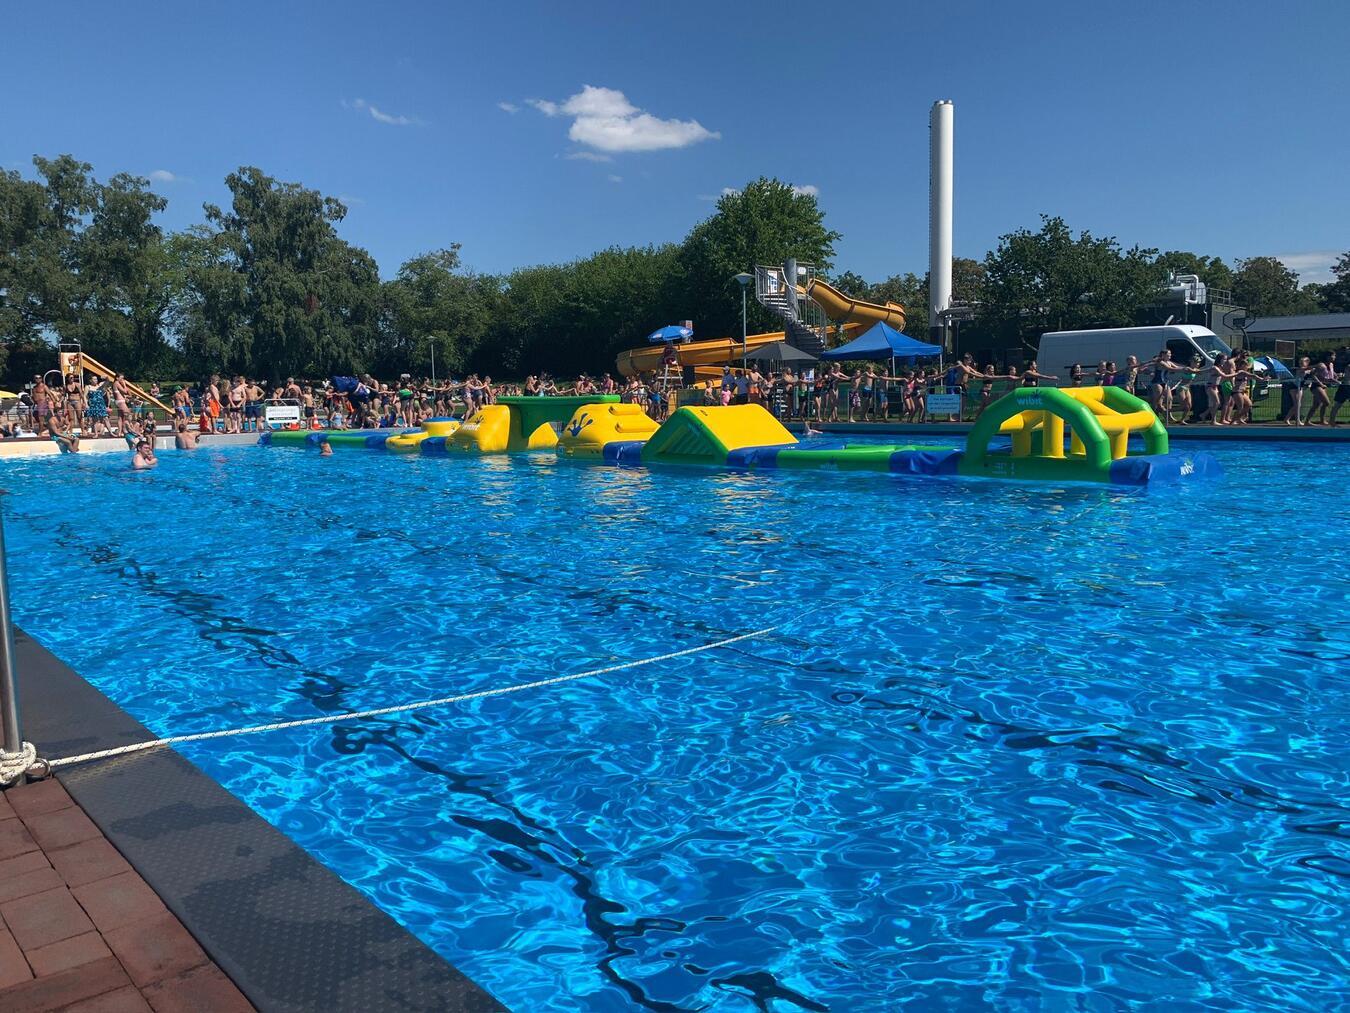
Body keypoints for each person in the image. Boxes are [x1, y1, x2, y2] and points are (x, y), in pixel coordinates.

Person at [1304, 354, 1334, 425]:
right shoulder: (1321, 365)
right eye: (1333, 355)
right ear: (1328, 356)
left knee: (1316, 404)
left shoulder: (1330, 365)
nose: (1334, 357)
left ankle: (1308, 421)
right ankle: (1321, 420)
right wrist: (1320, 384)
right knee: (1326, 402)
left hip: (1323, 386)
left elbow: (1328, 374)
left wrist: (1337, 376)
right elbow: (1312, 374)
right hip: (1316, 386)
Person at [1284, 356, 1313, 425]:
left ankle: (1290, 419)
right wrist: (1316, 366)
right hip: (1294, 387)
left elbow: (1309, 373)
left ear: (1307, 363)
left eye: (1302, 362)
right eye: (1300, 362)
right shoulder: (1300, 369)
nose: (1300, 363)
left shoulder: (1307, 370)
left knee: (1298, 404)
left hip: (1300, 387)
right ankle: (1294, 420)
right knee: (1297, 404)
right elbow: (1307, 369)